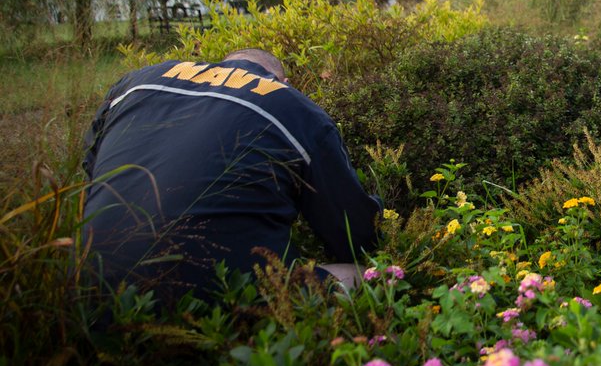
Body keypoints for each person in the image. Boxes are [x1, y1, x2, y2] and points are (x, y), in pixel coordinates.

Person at [81, 48, 382, 306]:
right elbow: (353, 235)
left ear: (216, 67)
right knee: (367, 274)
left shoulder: (134, 82)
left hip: (88, 285)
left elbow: (91, 168)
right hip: (217, 294)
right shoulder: (293, 106)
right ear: (284, 82)